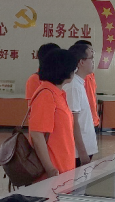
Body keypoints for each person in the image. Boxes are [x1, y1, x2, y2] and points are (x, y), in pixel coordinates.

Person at [28, 49, 78, 179]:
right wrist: (50, 168)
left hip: (64, 168)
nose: (75, 71)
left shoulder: (57, 94)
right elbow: (37, 134)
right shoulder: (46, 94)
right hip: (52, 173)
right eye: (73, 67)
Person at [63, 43, 98, 167]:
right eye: (91, 58)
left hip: (85, 149)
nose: (93, 62)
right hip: (78, 153)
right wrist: (82, 152)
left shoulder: (79, 83)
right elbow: (73, 122)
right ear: (81, 62)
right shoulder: (73, 86)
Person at [72, 39, 100, 128]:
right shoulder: (74, 84)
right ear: (81, 61)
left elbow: (93, 95)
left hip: (91, 118)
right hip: (84, 122)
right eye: (90, 57)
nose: (93, 60)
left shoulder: (90, 75)